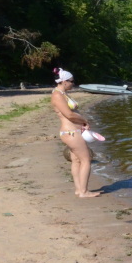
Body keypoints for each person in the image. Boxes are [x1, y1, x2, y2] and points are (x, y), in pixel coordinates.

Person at [50, 68, 100, 197]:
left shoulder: (63, 94)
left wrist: (83, 123)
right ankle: (84, 191)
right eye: (72, 81)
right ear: (64, 81)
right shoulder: (57, 95)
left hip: (73, 131)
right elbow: (69, 114)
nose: (73, 83)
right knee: (86, 159)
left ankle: (79, 190)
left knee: (77, 160)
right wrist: (85, 120)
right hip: (71, 132)